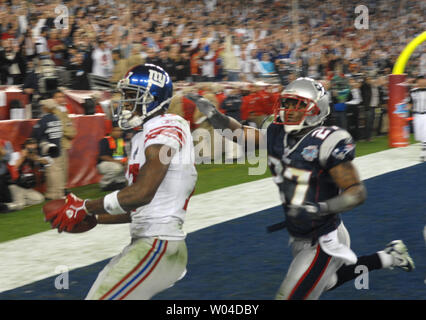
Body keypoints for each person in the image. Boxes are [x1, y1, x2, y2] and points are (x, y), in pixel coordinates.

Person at [187, 77, 415, 300]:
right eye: (286, 103)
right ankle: (389, 257)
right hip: (299, 234)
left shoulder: (327, 140)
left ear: (318, 109)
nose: (289, 110)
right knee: (328, 281)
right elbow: (242, 135)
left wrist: (318, 209)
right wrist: (215, 117)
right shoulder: (277, 132)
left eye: (299, 105)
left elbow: (356, 193)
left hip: (324, 238)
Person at [44, 64, 197, 300]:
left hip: (159, 244)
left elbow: (142, 193)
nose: (124, 103)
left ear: (154, 99)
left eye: (131, 96)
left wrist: (84, 206)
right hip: (150, 242)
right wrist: (93, 217)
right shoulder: (141, 136)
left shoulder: (168, 125)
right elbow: (137, 208)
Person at [31, 99, 64, 200]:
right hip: (58, 147)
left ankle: (52, 194)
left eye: (42, 106)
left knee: (51, 172)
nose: (41, 108)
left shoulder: (44, 120)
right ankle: (59, 192)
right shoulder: (57, 118)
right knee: (58, 171)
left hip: (49, 150)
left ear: (46, 108)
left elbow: (36, 135)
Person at [8, 138, 46, 210]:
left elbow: (46, 162)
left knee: (40, 199)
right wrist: (23, 157)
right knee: (19, 206)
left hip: (27, 187)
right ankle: (5, 206)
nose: (31, 147)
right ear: (25, 146)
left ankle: (20, 201)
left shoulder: (33, 156)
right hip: (16, 186)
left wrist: (36, 158)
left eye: (33, 145)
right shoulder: (16, 154)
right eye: (30, 145)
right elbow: (13, 168)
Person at [97, 122, 128, 191]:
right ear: (111, 131)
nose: (119, 132)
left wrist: (126, 161)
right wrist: (118, 161)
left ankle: (119, 182)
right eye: (116, 130)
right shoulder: (105, 140)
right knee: (117, 167)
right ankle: (104, 184)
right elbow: (102, 156)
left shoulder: (120, 141)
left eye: (120, 131)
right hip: (103, 164)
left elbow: (124, 155)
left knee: (127, 164)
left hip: (115, 163)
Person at [408, 76, 426, 161]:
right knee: (419, 135)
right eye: (421, 80)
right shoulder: (413, 92)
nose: (422, 82)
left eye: (424, 80)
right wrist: (405, 110)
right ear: (418, 81)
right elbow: (410, 103)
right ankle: (423, 148)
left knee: (424, 134)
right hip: (417, 115)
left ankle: (423, 152)